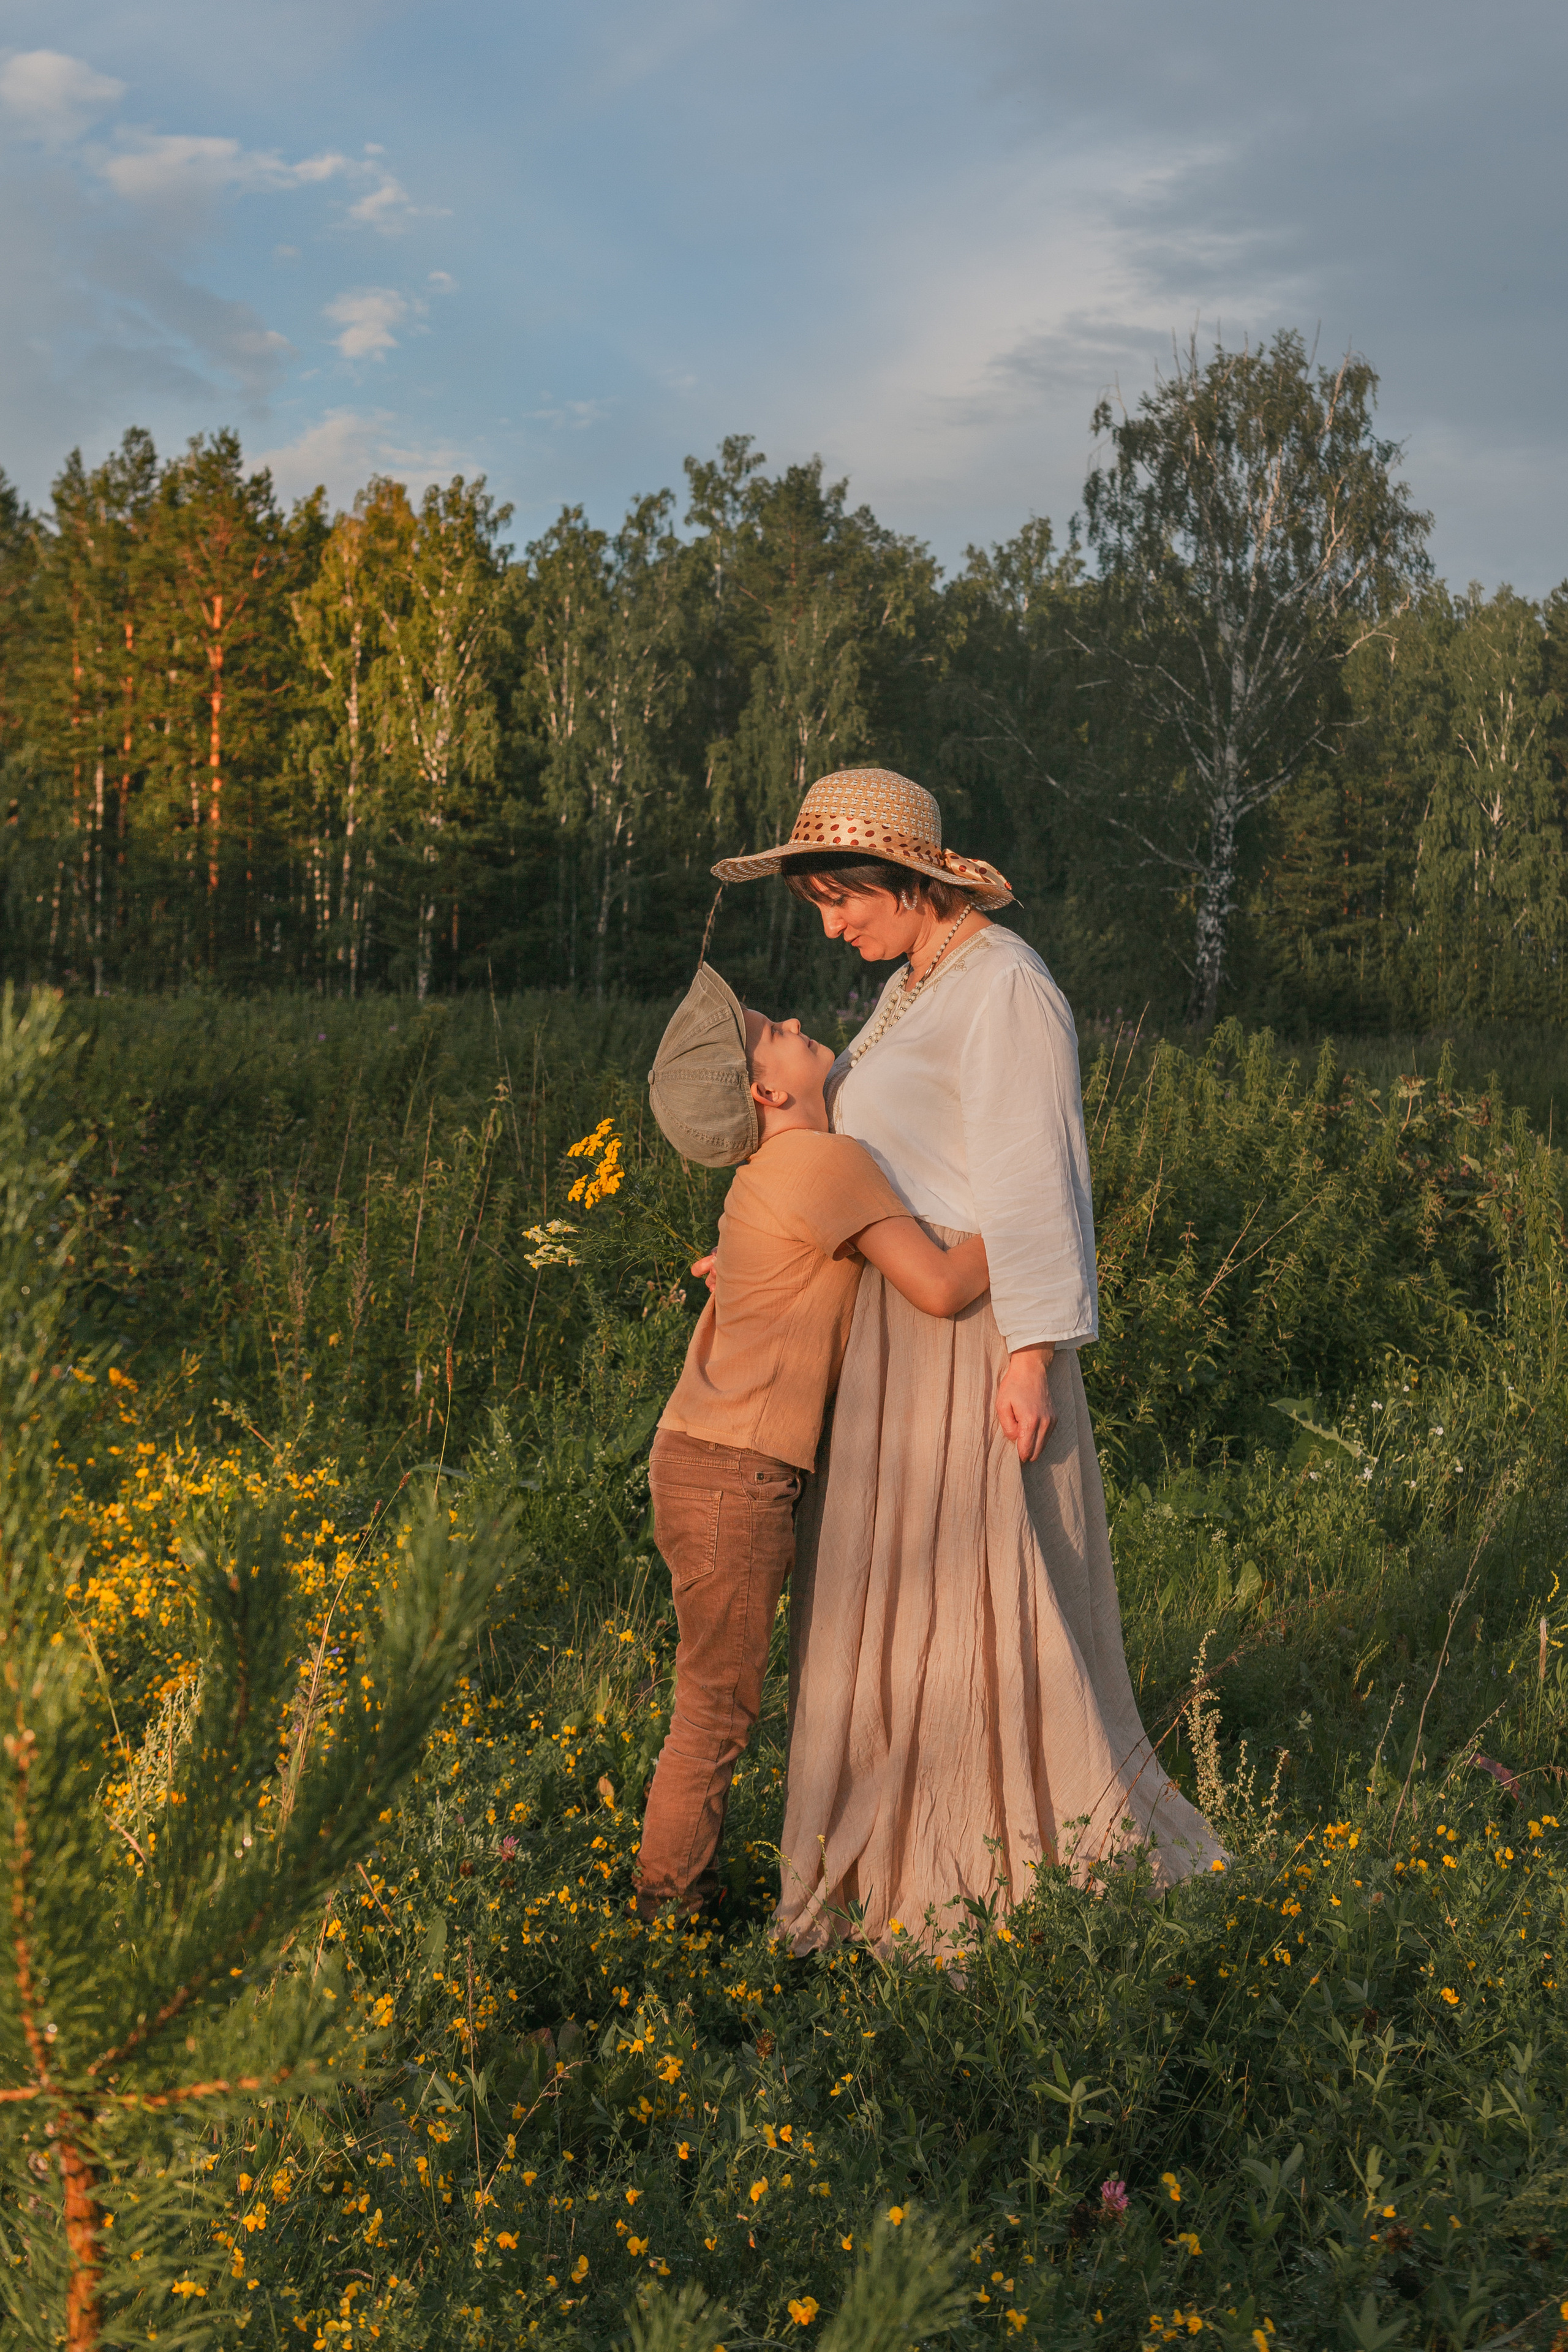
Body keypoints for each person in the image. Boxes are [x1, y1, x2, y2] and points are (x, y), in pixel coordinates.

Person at [712, 766, 1223, 1955]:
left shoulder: (1004, 986)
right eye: (820, 905)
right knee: (897, 1607)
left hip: (972, 1341)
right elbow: (860, 1153)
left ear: (909, 880)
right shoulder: (908, 987)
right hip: (894, 1337)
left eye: (841, 898)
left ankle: (1001, 1861)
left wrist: (1033, 1352)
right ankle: (889, 1860)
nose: (831, 926)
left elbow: (1033, 1174)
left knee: (985, 1607)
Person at [636, 961, 992, 1922]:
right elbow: (943, 1287)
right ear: (768, 1089)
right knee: (714, 1708)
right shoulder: (823, 1166)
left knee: (715, 1699)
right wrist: (1031, 1214)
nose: (794, 1019)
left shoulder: (780, 1171)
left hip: (705, 1460)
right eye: (773, 1029)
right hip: (732, 1475)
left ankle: (678, 1897)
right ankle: (666, 1912)